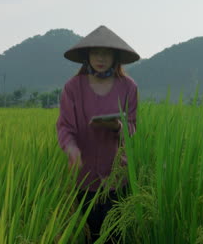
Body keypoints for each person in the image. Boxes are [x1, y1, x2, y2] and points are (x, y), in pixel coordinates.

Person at [56, 25, 140, 243]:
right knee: (91, 235)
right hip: (84, 178)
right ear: (87, 56)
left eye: (106, 53)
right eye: (95, 52)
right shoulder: (73, 87)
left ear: (115, 57)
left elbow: (132, 126)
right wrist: (71, 148)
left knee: (115, 236)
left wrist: (117, 127)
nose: (100, 58)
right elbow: (65, 127)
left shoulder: (128, 87)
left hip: (117, 176)